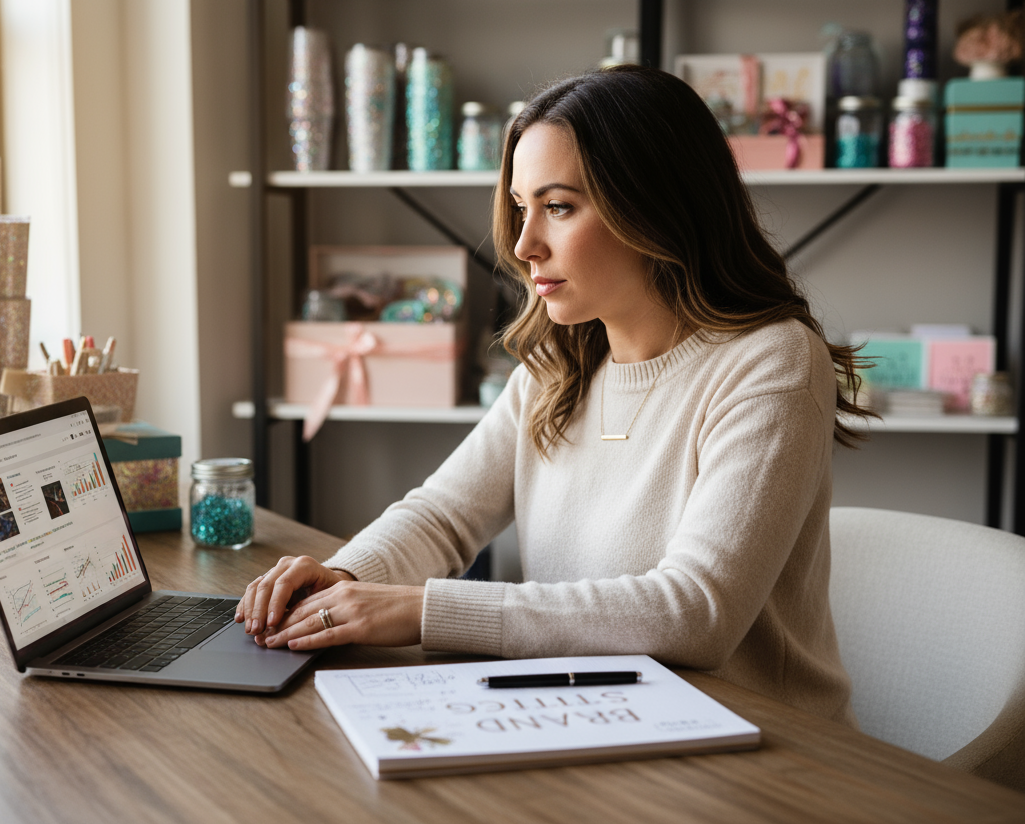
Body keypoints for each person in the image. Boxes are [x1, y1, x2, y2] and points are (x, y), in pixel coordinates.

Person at [236, 65, 872, 725]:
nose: (523, 244)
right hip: (589, 713)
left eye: (559, 207)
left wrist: (421, 611)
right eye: (520, 207)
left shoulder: (771, 361)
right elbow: (442, 516)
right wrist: (344, 578)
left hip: (766, 746)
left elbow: (694, 614)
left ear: (655, 205)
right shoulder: (560, 362)